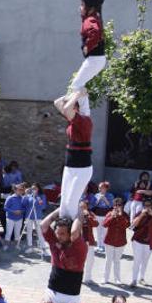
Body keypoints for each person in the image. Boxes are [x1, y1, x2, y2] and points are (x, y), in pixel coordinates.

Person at [53, 88, 92, 220]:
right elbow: (57, 102)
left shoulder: (84, 121)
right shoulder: (73, 120)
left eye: (70, 106)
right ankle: (63, 228)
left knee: (70, 202)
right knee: (64, 202)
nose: (66, 108)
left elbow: (66, 109)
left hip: (82, 168)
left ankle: (74, 227)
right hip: (70, 167)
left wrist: (76, 95)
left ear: (77, 108)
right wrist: (75, 91)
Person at [39, 208, 86, 303]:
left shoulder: (79, 246)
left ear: (69, 235)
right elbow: (43, 225)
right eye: (57, 233)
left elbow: (74, 232)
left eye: (62, 234)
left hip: (71, 295)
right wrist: (60, 208)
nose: (58, 236)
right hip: (52, 290)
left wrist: (79, 213)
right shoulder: (54, 240)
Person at [70, 0, 107, 117]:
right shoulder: (95, 17)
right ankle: (84, 112)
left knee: (76, 85)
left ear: (90, 7)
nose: (79, 7)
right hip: (97, 59)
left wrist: (87, 46)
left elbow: (95, 33)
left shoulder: (90, 20)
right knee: (79, 85)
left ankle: (84, 114)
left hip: (94, 59)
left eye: (82, 4)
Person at [130, 199, 152, 287]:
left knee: (145, 261)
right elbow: (133, 224)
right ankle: (134, 279)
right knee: (137, 260)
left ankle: (141, 278)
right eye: (146, 205)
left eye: (149, 205)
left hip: (149, 242)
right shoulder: (140, 213)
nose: (147, 207)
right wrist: (141, 215)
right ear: (143, 206)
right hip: (138, 241)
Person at [102, 197, 129, 284]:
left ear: (122, 206)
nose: (117, 207)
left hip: (120, 242)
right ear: (113, 206)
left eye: (119, 205)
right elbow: (104, 224)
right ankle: (105, 278)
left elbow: (127, 225)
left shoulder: (125, 215)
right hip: (109, 241)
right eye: (115, 205)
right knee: (108, 260)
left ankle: (117, 279)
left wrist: (120, 216)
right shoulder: (110, 213)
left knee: (117, 261)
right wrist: (112, 217)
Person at [92, 181, 115, 253]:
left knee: (105, 231)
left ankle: (104, 246)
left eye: (101, 187)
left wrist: (105, 199)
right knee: (98, 230)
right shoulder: (96, 195)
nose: (100, 189)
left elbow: (110, 205)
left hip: (106, 214)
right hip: (98, 214)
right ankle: (99, 245)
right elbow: (94, 205)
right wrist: (99, 199)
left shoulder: (110, 195)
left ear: (105, 188)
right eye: (99, 187)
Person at [4, 183, 27, 249]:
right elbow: (5, 208)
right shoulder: (10, 198)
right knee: (9, 232)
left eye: (22, 190)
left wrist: (21, 211)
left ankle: (17, 245)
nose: (21, 191)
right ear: (15, 190)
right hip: (10, 218)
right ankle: (6, 245)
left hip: (19, 218)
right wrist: (13, 211)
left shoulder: (23, 198)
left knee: (17, 232)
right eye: (19, 189)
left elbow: (25, 208)